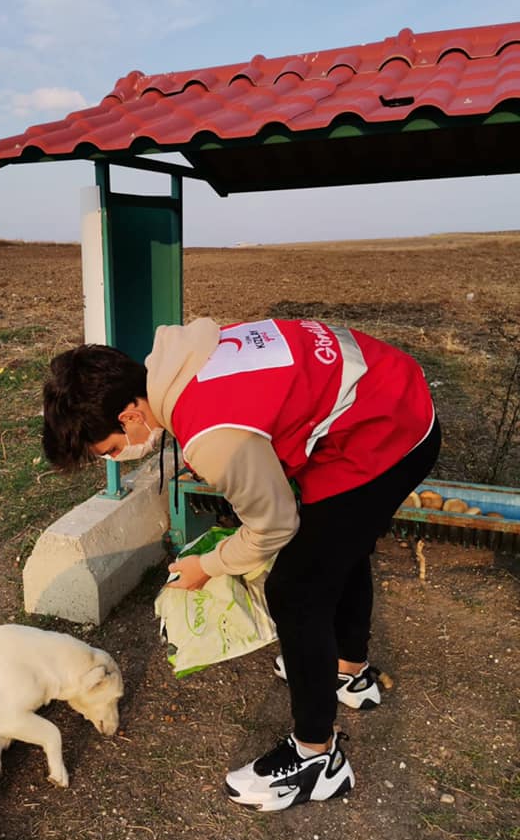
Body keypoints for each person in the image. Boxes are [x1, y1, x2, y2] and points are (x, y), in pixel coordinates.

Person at [41, 317, 440, 812]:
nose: (120, 458)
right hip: (388, 388)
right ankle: (347, 671)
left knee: (296, 591)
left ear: (130, 416)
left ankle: (316, 758)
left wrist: (209, 565)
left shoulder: (212, 435)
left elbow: (274, 527)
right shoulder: (180, 360)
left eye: (113, 449)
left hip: (389, 432)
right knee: (338, 544)